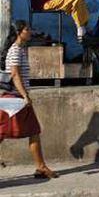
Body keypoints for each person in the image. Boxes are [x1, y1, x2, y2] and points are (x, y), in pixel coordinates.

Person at [0, 20, 58, 178]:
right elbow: (15, 75)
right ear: (19, 32)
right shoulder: (15, 51)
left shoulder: (19, 49)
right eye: (27, 29)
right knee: (7, 132)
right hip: (15, 100)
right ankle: (41, 167)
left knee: (32, 131)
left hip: (17, 98)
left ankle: (41, 167)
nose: (30, 31)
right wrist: (25, 96)